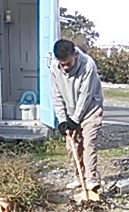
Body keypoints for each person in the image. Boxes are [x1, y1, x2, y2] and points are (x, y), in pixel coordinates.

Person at [50, 38, 104, 192]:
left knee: (88, 144)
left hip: (91, 110)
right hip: (70, 112)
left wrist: (75, 119)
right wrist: (62, 120)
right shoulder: (55, 68)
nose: (65, 67)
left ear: (74, 55)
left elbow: (85, 95)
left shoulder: (88, 65)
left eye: (67, 63)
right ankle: (79, 177)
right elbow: (56, 95)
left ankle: (91, 180)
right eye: (62, 64)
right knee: (72, 146)